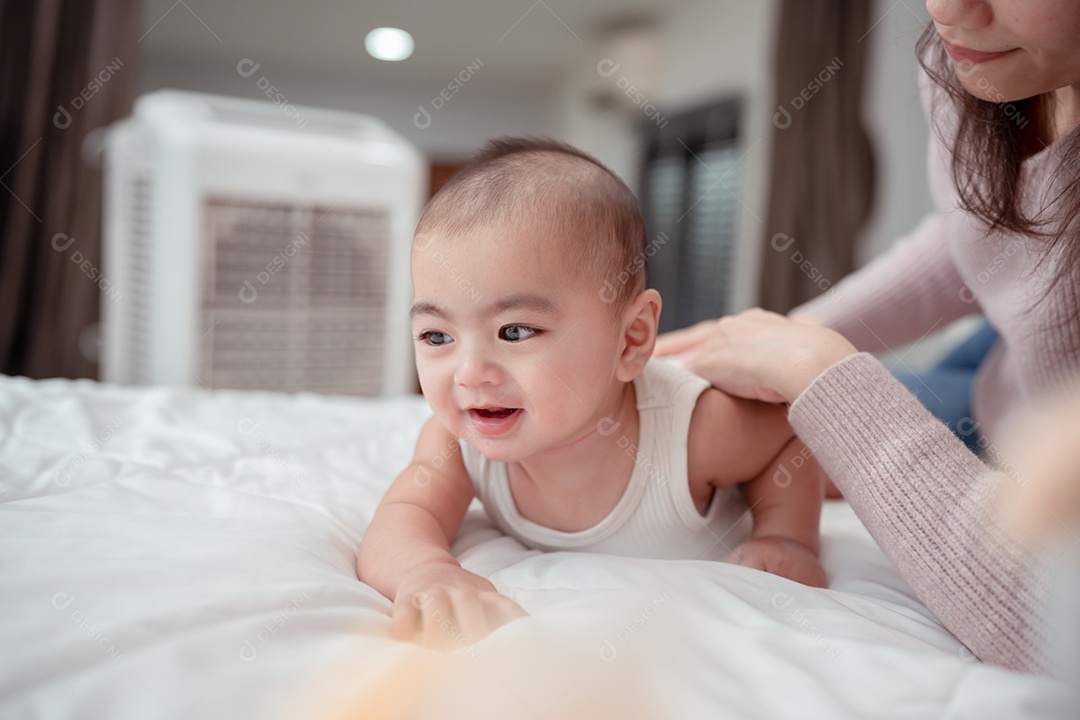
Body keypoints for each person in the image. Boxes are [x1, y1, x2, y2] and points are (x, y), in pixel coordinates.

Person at [655, 0, 1080, 675]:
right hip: (1004, 374)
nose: (945, 8)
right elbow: (977, 237)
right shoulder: (974, 61)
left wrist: (824, 377)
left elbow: (1051, 620)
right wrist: (798, 335)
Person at [357, 138, 827, 650]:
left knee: (835, 478)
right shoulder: (454, 442)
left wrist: (786, 535)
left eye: (515, 331)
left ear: (630, 339)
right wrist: (425, 570)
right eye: (437, 336)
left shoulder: (693, 429)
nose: (470, 374)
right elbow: (404, 517)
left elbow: (790, 436)